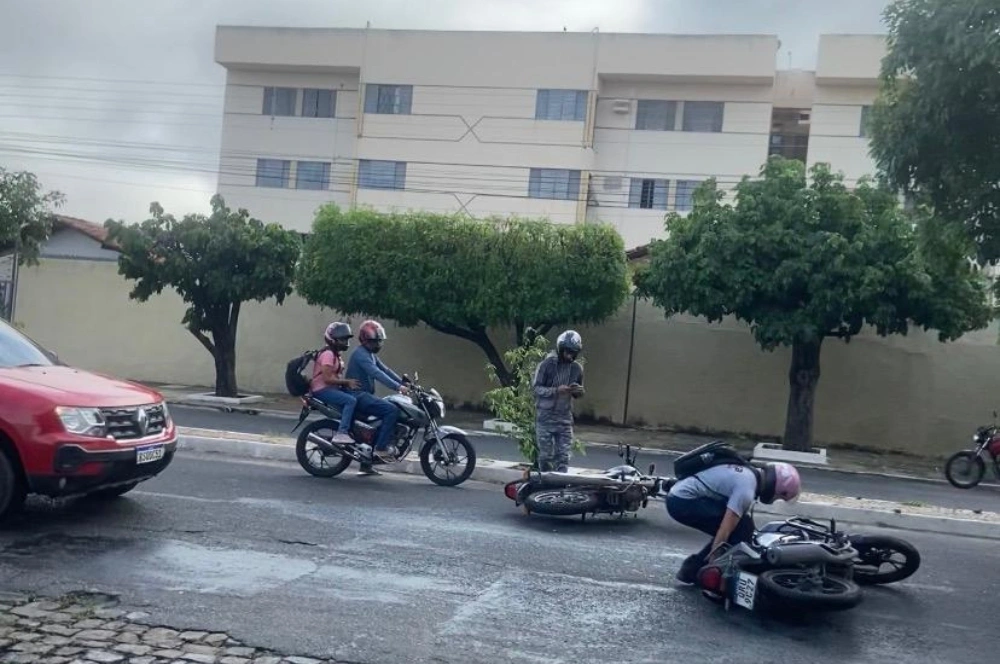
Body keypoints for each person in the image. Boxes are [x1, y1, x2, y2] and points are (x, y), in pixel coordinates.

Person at [666, 460, 802, 585]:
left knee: (742, 526)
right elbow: (725, 530)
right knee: (740, 529)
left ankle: (694, 569)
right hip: (682, 502)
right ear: (775, 487)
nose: (773, 500)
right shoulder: (746, 490)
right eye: (778, 497)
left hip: (679, 496)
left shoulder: (748, 473)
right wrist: (714, 562)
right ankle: (700, 572)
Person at [344, 319, 410, 473]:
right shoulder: (361, 355)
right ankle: (380, 448)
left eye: (380, 341)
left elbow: (385, 370)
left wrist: (404, 383)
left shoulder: (369, 354)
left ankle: (366, 463)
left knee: (383, 415)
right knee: (391, 410)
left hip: (364, 394)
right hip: (358, 395)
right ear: (365, 340)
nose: (378, 345)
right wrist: (397, 387)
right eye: (375, 341)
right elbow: (376, 373)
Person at [532, 330, 585, 473]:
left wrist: (578, 391)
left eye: (573, 352)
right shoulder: (546, 365)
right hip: (545, 417)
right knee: (545, 457)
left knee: (563, 456)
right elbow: (536, 389)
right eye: (567, 351)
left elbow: (579, 392)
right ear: (560, 348)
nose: (570, 355)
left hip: (564, 418)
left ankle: (560, 486)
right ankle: (544, 484)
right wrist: (555, 390)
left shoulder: (576, 369)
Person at [309, 322, 361, 444]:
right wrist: (347, 382)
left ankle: (352, 431)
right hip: (321, 390)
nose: (345, 342)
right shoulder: (328, 354)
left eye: (346, 339)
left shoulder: (336, 354)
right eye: (342, 339)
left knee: (356, 397)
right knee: (350, 400)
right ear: (332, 339)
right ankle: (342, 433)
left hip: (330, 388)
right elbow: (327, 379)